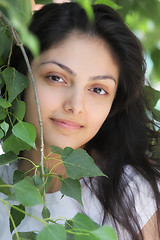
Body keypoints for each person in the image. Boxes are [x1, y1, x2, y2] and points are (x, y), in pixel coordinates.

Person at [0, 2, 160, 239]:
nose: (75, 106)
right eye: (56, 77)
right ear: (21, 76)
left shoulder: (137, 194)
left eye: (97, 89)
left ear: (114, 104)